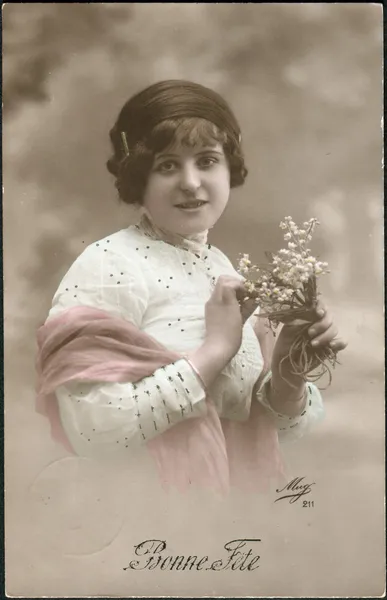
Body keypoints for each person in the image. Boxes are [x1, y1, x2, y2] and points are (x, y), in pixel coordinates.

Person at [36, 80, 347, 494]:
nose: (190, 182)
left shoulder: (219, 267)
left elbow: (257, 430)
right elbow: (93, 434)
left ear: (227, 168)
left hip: (224, 520)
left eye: (207, 160)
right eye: (167, 165)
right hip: (143, 519)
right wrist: (214, 351)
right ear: (138, 176)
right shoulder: (109, 264)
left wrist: (287, 376)